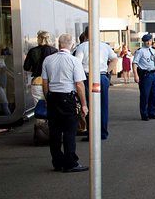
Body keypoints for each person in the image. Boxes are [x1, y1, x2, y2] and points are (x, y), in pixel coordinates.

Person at [42, 33, 89, 172]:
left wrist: (47, 98)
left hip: (53, 97)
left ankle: (57, 161)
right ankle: (70, 162)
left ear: (59, 44)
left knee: (55, 131)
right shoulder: (74, 61)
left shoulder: (48, 60)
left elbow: (45, 83)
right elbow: (79, 85)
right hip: (68, 98)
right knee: (69, 130)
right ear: (72, 45)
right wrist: (84, 104)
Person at [73, 28, 118, 140]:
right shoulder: (105, 46)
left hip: (88, 78)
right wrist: (107, 71)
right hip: (102, 77)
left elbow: (77, 63)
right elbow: (114, 59)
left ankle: (92, 134)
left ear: (85, 34)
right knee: (103, 106)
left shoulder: (82, 47)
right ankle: (103, 132)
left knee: (88, 105)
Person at [23, 30, 58, 104]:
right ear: (48, 38)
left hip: (37, 82)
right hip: (51, 83)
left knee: (39, 108)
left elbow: (26, 67)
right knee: (52, 107)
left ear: (39, 39)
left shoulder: (32, 51)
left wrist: (35, 68)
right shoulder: (54, 51)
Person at [133, 33, 155, 121]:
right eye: (146, 41)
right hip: (145, 75)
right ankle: (144, 114)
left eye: (149, 41)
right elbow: (135, 63)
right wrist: (136, 75)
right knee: (145, 95)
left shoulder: (154, 50)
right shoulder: (140, 51)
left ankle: (152, 112)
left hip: (153, 74)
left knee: (154, 94)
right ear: (144, 42)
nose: (148, 43)